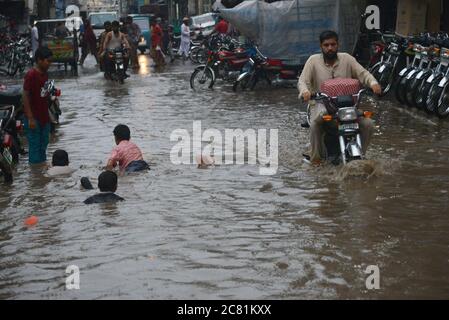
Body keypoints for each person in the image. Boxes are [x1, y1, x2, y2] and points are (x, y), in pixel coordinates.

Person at [297, 30, 382, 165]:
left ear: (338, 45)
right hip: (321, 105)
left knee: (368, 124)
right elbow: (302, 81)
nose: (330, 48)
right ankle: (315, 159)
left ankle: (361, 155)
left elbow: (363, 73)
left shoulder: (347, 59)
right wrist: (305, 91)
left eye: (333, 44)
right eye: (326, 45)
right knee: (315, 124)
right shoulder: (313, 61)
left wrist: (373, 83)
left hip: (347, 107)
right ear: (321, 46)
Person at [22, 47, 53, 165]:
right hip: (33, 117)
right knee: (35, 148)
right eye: (48, 61)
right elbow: (25, 96)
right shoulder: (31, 75)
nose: (50, 64)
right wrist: (30, 118)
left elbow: (44, 94)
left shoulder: (45, 74)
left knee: (43, 145)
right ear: (39, 60)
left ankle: (41, 174)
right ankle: (35, 174)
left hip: (44, 116)